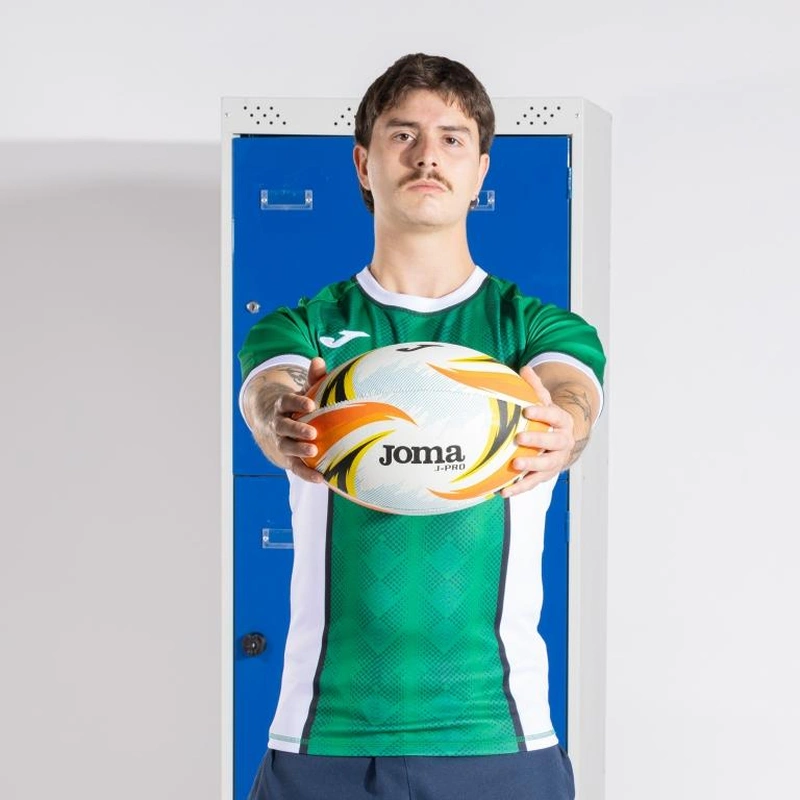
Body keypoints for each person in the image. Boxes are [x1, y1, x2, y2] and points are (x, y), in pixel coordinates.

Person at [239, 53, 605, 800]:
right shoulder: (302, 326)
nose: (427, 154)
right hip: (324, 735)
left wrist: (564, 425)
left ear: (480, 171)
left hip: (497, 733)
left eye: (452, 138)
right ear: (363, 164)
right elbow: (268, 391)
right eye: (402, 134)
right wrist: (282, 419)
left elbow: (573, 389)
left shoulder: (534, 327)